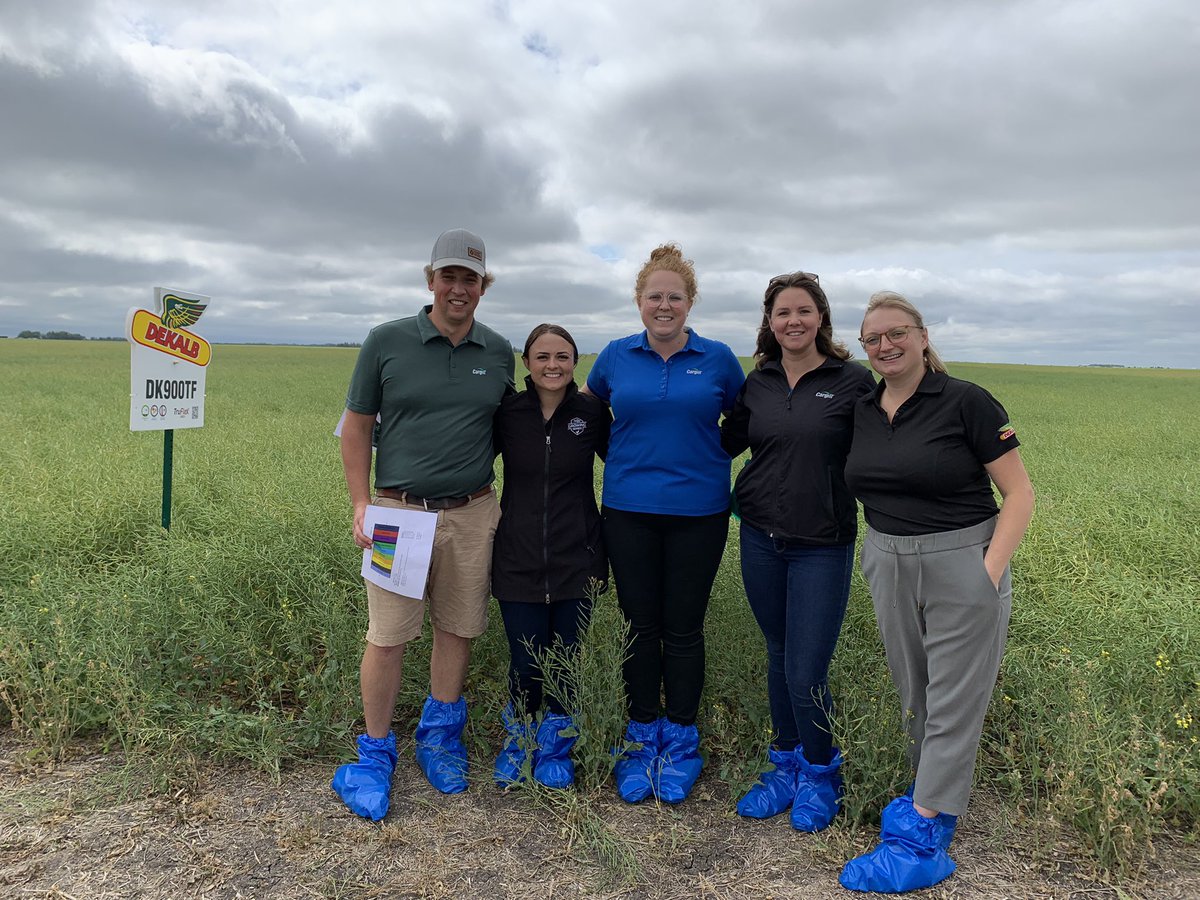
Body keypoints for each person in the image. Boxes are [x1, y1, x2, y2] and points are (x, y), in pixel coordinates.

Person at [840, 291, 1034, 892]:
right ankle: (937, 803)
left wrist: (988, 572)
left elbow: (1020, 496)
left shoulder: (966, 401)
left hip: (961, 558)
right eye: (872, 339)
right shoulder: (863, 407)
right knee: (916, 692)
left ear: (923, 337)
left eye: (896, 333)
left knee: (953, 698)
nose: (885, 346)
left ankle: (922, 838)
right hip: (887, 557)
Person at [331, 229, 515, 819]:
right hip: (397, 513)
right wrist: (361, 503)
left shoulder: (498, 351)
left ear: (483, 288)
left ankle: (439, 738)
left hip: (473, 510)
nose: (459, 288)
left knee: (457, 629)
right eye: (449, 276)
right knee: (387, 636)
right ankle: (374, 752)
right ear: (430, 280)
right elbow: (357, 425)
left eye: (471, 279)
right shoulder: (386, 341)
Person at [586, 244, 746, 804]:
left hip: (699, 513)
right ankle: (639, 734)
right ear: (638, 301)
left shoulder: (719, 357)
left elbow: (746, 419)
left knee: (683, 628)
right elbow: (588, 415)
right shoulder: (614, 356)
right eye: (654, 295)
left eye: (674, 296)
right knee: (639, 626)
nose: (664, 305)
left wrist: (711, 456)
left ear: (690, 302)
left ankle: (679, 739)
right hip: (627, 510)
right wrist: (621, 458)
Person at [720, 272, 874, 831]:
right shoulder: (757, 382)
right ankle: (783, 766)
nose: (793, 321)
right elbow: (723, 440)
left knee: (807, 668)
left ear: (821, 319)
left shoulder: (853, 381)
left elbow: (889, 441)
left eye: (803, 311)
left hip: (823, 544)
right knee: (779, 652)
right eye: (782, 312)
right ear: (769, 322)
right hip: (760, 535)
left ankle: (820, 771)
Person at [490, 324, 611, 789]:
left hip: (577, 554)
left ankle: (558, 745)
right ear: (526, 363)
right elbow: (470, 458)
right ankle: (519, 741)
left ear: (575, 362)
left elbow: (626, 460)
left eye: (563, 356)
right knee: (525, 660)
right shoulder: (509, 412)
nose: (553, 365)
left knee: (565, 658)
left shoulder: (592, 413)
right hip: (516, 555)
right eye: (542, 357)